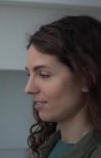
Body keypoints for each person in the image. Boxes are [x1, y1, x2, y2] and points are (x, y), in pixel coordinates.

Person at [24, 15, 101, 158]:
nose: (28, 89)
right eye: (29, 74)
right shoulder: (46, 148)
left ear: (87, 78)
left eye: (44, 74)